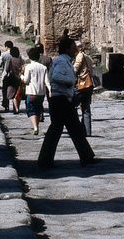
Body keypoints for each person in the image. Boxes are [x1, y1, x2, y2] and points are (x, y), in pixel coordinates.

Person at [38, 38, 97, 168]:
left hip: (63, 99)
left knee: (71, 128)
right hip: (61, 99)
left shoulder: (65, 61)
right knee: (59, 129)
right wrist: (71, 80)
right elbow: (56, 77)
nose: (75, 49)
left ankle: (86, 156)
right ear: (67, 49)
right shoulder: (61, 61)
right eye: (73, 47)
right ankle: (45, 160)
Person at [22, 47, 51, 135]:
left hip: (31, 92)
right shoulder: (43, 67)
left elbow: (26, 81)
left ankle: (35, 127)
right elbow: (47, 81)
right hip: (41, 93)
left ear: (30, 57)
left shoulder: (28, 67)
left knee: (31, 110)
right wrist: (50, 91)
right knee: (38, 109)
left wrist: (21, 77)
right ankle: (36, 126)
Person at [74, 40, 95, 136]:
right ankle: (87, 131)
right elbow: (92, 67)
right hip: (89, 85)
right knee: (86, 108)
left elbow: (75, 69)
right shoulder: (87, 57)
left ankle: (76, 129)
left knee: (72, 106)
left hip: (81, 84)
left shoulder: (79, 56)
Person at [4, 46, 24, 114]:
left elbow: (7, 70)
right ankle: (16, 107)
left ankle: (15, 109)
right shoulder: (21, 60)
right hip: (20, 79)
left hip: (12, 79)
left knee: (12, 94)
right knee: (18, 94)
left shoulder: (10, 60)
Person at [0, 40, 14, 112]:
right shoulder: (16, 53)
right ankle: (15, 106)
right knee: (14, 90)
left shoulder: (3, 54)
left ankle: (6, 105)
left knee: (4, 91)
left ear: (6, 47)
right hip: (15, 75)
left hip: (5, 74)